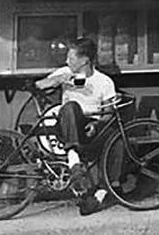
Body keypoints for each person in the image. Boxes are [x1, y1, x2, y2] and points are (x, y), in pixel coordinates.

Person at [35, 37, 116, 216]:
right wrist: (59, 79)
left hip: (91, 127)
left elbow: (109, 112)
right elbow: (38, 85)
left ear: (84, 60)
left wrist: (96, 124)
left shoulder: (104, 81)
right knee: (71, 107)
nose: (67, 61)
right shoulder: (65, 72)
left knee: (118, 137)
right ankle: (75, 163)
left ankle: (100, 194)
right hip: (66, 127)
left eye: (71, 58)